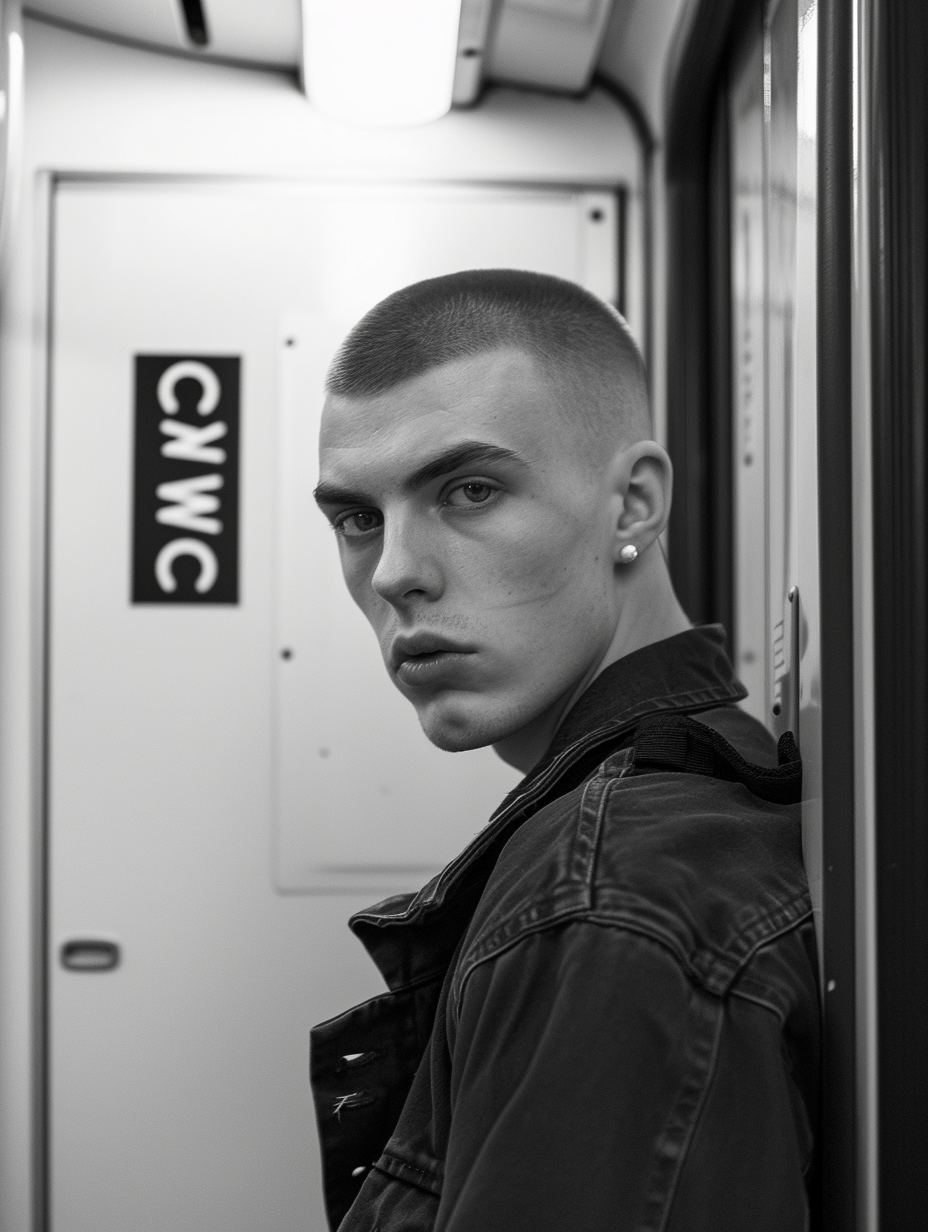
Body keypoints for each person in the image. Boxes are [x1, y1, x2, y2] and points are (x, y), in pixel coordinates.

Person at [309, 270, 819, 1232]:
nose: (396, 572)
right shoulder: (666, 803)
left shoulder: (608, 906)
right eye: (357, 519)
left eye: (469, 490)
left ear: (632, 506)